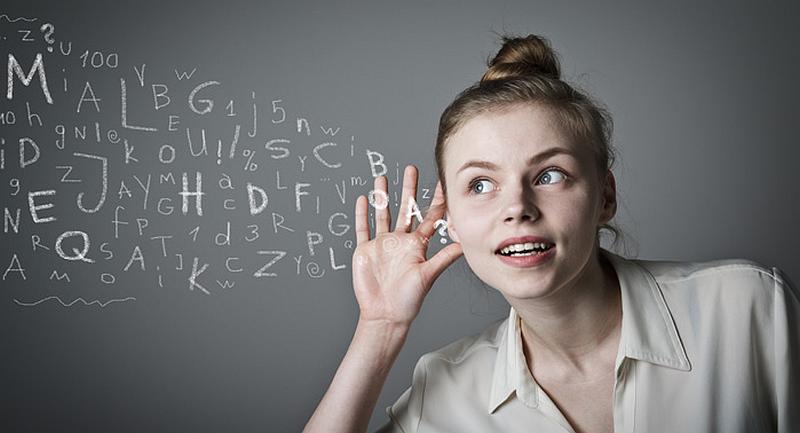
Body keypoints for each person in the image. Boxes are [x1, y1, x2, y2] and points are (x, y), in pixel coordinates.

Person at [301, 34, 799, 433]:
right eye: (480, 184)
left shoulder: (750, 309)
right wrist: (381, 328)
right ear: (450, 220)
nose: (517, 208)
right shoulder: (445, 392)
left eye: (549, 175)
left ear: (605, 197)